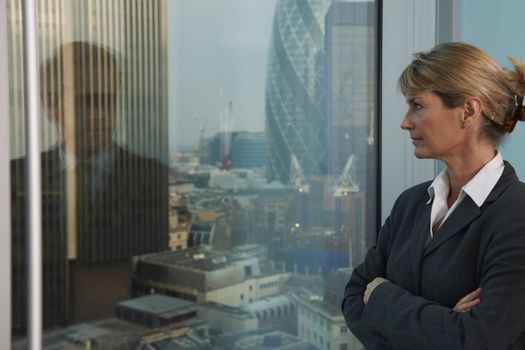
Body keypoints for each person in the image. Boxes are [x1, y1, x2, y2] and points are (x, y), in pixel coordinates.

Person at [341, 42, 525, 349]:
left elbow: (477, 339)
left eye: (418, 105)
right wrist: (444, 320)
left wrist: (382, 296)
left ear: (468, 111)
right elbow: (352, 298)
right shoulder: (410, 204)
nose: (404, 122)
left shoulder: (517, 215)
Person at [11, 41, 168, 331]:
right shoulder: (14, 179)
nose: (98, 113)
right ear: (50, 106)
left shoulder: (152, 177)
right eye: (86, 100)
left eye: (107, 100)